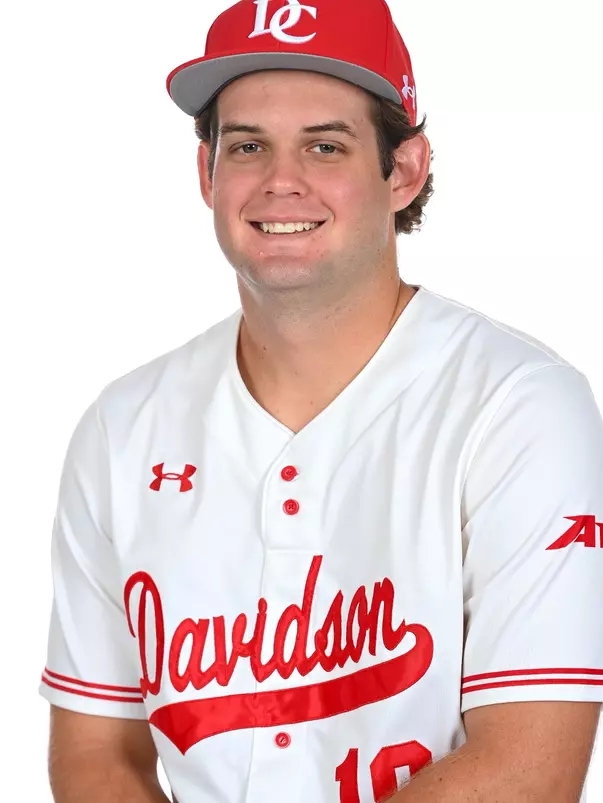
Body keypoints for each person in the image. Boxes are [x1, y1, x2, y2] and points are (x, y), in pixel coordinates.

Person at [39, 0, 603, 801]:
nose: (280, 181)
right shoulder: (122, 426)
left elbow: (526, 768)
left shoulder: (518, 407)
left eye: (325, 145)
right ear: (206, 175)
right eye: (246, 146)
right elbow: (99, 752)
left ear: (402, 170)